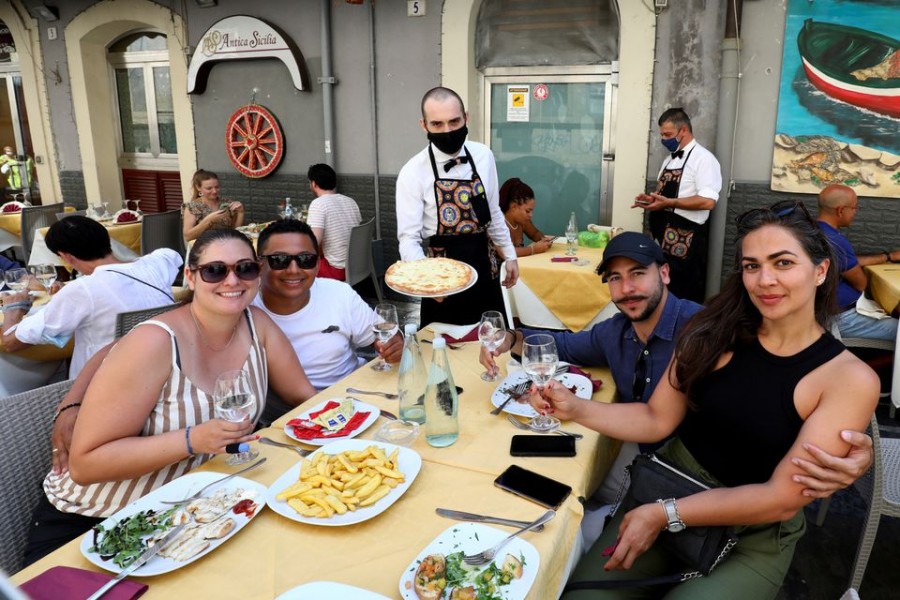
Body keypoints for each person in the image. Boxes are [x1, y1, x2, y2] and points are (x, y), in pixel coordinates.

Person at [534, 201, 878, 598]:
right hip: (669, 486)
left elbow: (781, 499)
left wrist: (666, 514)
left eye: (783, 263)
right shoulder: (710, 333)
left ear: (820, 271)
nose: (764, 280)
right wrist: (575, 407)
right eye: (752, 265)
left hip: (752, 531)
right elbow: (654, 419)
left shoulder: (848, 378)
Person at [24, 228, 317, 565]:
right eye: (215, 270)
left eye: (245, 268)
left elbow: (304, 397)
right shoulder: (154, 343)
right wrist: (194, 439)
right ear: (191, 277)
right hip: (99, 527)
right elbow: (85, 464)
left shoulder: (256, 323)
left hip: (189, 516)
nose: (232, 279)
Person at [252, 219, 402, 423]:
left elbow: (384, 334)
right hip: (289, 419)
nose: (294, 269)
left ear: (318, 263)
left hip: (355, 400)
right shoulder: (245, 310)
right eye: (280, 260)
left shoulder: (337, 293)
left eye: (306, 259)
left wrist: (396, 344)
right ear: (259, 264)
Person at [1, 215, 182, 377]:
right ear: (107, 239)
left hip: (103, 383)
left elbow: (11, 342)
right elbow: (172, 256)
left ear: (67, 257)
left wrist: (13, 309)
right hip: (165, 369)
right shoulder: (158, 263)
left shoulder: (82, 291)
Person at [396, 86, 518, 326]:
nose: (447, 130)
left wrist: (510, 254)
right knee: (445, 350)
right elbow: (409, 238)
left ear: (466, 118)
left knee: (492, 344)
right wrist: (428, 281)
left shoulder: (483, 155)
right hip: (441, 276)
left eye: (454, 121)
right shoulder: (412, 171)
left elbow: (492, 211)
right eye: (437, 124)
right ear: (424, 125)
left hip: (486, 266)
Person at [633, 108, 721, 303]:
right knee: (661, 295)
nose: (663, 139)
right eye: (662, 135)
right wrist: (651, 200)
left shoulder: (704, 159)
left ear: (683, 131)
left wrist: (670, 203)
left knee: (683, 296)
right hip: (661, 240)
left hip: (686, 242)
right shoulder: (667, 160)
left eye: (668, 135)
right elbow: (668, 197)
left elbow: (708, 201)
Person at [816, 183, 899, 342]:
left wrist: (888, 256)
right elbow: (861, 283)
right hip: (841, 318)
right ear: (840, 210)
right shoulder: (835, 240)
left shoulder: (814, 230)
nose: (855, 213)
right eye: (854, 208)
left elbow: (845, 261)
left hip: (826, 312)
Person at [306, 163, 362, 280]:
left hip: (337, 269)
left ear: (314, 183)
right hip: (358, 265)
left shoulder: (318, 204)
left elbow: (313, 243)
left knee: (295, 263)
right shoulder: (350, 201)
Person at [182, 169, 244, 242]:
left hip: (227, 244)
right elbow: (188, 237)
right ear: (198, 188)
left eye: (217, 187)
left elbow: (235, 230)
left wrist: (241, 212)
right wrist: (209, 220)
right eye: (209, 188)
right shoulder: (192, 207)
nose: (214, 191)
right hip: (204, 247)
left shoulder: (226, 203)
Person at [498, 177, 554, 257]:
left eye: (532, 211)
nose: (531, 215)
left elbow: (534, 233)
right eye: (527, 211)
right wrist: (533, 249)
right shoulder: (498, 223)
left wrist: (543, 239)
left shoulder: (522, 222)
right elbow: (505, 252)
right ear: (514, 207)